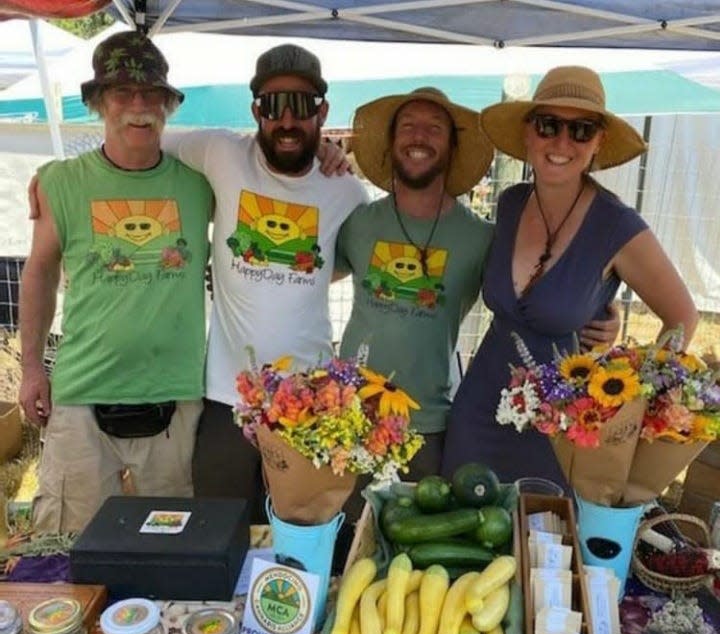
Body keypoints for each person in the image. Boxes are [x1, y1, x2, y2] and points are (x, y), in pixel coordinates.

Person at [441, 65, 699, 490]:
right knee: (455, 544)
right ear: (528, 133)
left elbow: (683, 319)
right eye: (548, 125)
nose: (562, 142)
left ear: (598, 142)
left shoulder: (616, 226)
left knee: (543, 548)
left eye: (581, 130)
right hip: (478, 414)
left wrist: (627, 392)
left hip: (560, 433)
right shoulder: (510, 203)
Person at [161, 44, 368, 523]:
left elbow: (339, 266)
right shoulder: (220, 152)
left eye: (302, 105)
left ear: (323, 111)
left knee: (303, 536)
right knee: (219, 532)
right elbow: (141, 142)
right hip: (226, 398)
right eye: (275, 106)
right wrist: (56, 175)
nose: (288, 120)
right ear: (256, 110)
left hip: (311, 399)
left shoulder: (347, 192)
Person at [19, 31, 214, 532]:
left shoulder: (200, 185)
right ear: (99, 102)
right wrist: (32, 369)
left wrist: (330, 157)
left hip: (175, 397)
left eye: (152, 95)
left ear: (168, 106)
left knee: (170, 546)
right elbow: (39, 272)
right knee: (70, 546)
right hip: (82, 397)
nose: (139, 107)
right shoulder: (61, 182)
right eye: (123, 93)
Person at [335, 87, 495, 480]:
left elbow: (523, 301)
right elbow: (302, 280)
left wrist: (601, 313)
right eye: (407, 126)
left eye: (434, 128)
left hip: (428, 426)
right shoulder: (357, 222)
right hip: (350, 419)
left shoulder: (482, 238)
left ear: (453, 147)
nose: (418, 137)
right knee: (346, 537)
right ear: (391, 145)